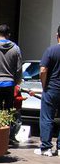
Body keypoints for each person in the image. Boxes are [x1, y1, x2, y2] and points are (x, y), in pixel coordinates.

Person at [34, 25, 60, 156]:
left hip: (52, 88)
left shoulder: (51, 51)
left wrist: (44, 85)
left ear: (57, 36)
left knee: (47, 118)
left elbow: (43, 70)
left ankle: (46, 147)